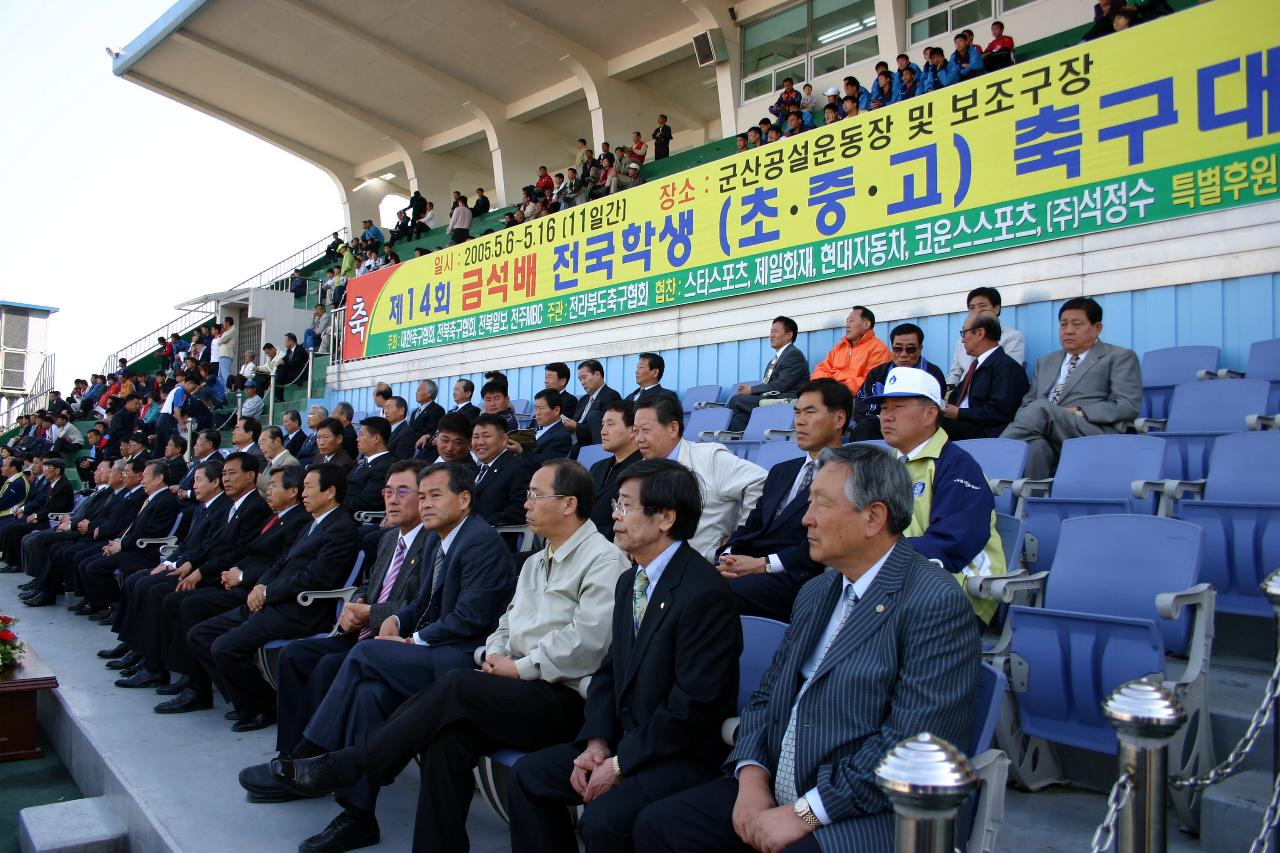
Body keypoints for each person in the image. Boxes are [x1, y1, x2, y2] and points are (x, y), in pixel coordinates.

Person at [634, 445, 980, 853]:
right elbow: (768, 696)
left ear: (874, 518)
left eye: (822, 504)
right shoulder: (817, 591)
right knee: (660, 827)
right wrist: (751, 777)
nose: (806, 518)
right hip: (782, 786)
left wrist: (806, 813)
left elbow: (910, 746)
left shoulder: (933, 602)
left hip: (873, 813)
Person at [267, 459, 624, 852]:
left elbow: (587, 642)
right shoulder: (536, 562)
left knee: (451, 684)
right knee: (446, 738)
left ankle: (350, 761)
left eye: (536, 495)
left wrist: (517, 667)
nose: (526, 504)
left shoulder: (603, 560)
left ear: (570, 503)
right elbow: (505, 623)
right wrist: (496, 654)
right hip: (509, 683)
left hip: (562, 697)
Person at [271, 462, 515, 849]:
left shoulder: (481, 541)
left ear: (464, 499)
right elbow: (421, 602)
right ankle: (358, 815)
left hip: (462, 660)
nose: (426, 504)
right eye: (423, 496)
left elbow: (471, 620)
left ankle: (312, 751)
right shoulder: (440, 538)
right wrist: (399, 620)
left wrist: (412, 640)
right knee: (369, 693)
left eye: (435, 495)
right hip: (435, 651)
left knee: (366, 654)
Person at [505, 457, 742, 853]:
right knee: (530, 777)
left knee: (605, 819)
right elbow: (610, 671)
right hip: (625, 742)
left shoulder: (704, 594)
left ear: (665, 517)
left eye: (625, 506)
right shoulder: (631, 580)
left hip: (679, 753)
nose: (613, 515)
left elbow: (692, 709)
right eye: (615, 505)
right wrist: (597, 742)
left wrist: (619, 764)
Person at [236, 460, 432, 798]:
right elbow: (368, 584)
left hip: (392, 642)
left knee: (327, 665)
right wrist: (355, 603)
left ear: (425, 497)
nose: (392, 499)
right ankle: (289, 754)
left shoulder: (431, 543)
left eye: (403, 492)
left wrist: (371, 612)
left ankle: (308, 766)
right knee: (295, 655)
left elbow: (426, 604)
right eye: (388, 491)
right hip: (358, 633)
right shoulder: (388, 539)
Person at [187, 463, 361, 732]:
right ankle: (250, 697)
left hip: (302, 611)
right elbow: (281, 562)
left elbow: (314, 578)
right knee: (200, 635)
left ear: (330, 492)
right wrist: (261, 585)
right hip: (275, 601)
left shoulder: (341, 528)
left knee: (225, 647)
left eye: (310, 488)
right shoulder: (314, 523)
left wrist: (268, 592)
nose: (303, 493)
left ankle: (261, 708)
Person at [154, 464, 310, 713]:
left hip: (257, 591)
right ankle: (193, 679)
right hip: (242, 581)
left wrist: (244, 577)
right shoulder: (277, 516)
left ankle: (199, 688)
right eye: (267, 486)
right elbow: (250, 552)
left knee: (188, 604)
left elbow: (281, 563)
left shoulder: (298, 520)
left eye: (273, 486)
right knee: (177, 600)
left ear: (292, 491)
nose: (267, 491)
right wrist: (233, 572)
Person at [875, 366, 1007, 624]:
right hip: (900, 581)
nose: (886, 417)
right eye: (883, 408)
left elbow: (953, 541)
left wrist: (874, 558)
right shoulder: (886, 464)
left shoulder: (956, 465)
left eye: (898, 407)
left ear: (930, 414)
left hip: (959, 590)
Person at [718, 379, 850, 621]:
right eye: (797, 412)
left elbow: (830, 543)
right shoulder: (781, 471)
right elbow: (752, 525)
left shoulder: (851, 472)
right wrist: (729, 556)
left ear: (839, 419)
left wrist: (762, 564)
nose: (799, 421)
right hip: (753, 570)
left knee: (708, 595)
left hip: (800, 577)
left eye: (810, 412)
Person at [1001, 297, 1142, 478]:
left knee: (1041, 408)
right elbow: (1027, 403)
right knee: (1036, 446)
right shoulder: (1045, 362)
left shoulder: (1119, 357)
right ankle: (1031, 502)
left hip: (1092, 430)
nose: (1068, 331)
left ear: (1097, 328)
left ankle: (990, 457)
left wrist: (1079, 411)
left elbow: (1127, 405)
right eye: (1063, 325)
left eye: (1077, 325)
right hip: (1045, 429)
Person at [633, 396, 765, 563]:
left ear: (673, 428)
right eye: (635, 431)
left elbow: (759, 482)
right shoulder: (639, 471)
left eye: (646, 430)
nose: (639, 439)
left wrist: (739, 540)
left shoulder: (709, 458)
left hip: (702, 566)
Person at [941, 314, 1030, 439]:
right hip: (962, 424)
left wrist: (960, 413)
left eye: (964, 333)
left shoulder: (1007, 367)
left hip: (985, 433)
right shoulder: (976, 365)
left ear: (980, 333)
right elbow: (954, 399)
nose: (962, 340)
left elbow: (1000, 412)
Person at [852, 323, 946, 441]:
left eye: (911, 349)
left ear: (920, 349)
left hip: (918, 425)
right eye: (897, 349)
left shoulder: (933, 374)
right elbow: (863, 410)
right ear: (892, 348)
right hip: (882, 425)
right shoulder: (877, 374)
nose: (903, 354)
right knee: (865, 427)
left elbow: (935, 410)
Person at [727, 316, 810, 431]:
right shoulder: (775, 360)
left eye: (775, 332)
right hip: (770, 399)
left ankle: (714, 436)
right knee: (740, 418)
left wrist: (751, 390)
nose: (771, 335)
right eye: (771, 332)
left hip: (786, 401)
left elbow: (781, 385)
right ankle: (733, 444)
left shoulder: (794, 355)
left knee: (737, 400)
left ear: (789, 335)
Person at [945, 287, 1026, 389]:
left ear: (997, 309)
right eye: (972, 308)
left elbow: (1009, 373)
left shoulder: (1012, 337)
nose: (977, 312)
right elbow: (954, 374)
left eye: (982, 307)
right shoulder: (962, 340)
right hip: (961, 394)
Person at [587, 400, 641, 541]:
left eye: (610, 424)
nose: (603, 431)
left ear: (633, 430)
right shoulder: (597, 467)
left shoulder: (642, 470)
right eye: (603, 424)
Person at [811, 306, 893, 395]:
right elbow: (819, 371)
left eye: (851, 321)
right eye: (847, 321)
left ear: (866, 324)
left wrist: (835, 377)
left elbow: (870, 384)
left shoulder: (878, 349)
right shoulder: (839, 348)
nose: (847, 325)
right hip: (833, 395)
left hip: (860, 400)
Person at [470, 413, 534, 528]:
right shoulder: (476, 470)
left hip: (494, 538)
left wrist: (477, 526)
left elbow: (518, 511)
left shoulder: (518, 467)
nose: (480, 442)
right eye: (476, 437)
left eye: (486, 436)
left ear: (504, 439)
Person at [564, 359, 621, 452]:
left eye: (584, 377)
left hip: (590, 446)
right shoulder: (583, 399)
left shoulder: (611, 395)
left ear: (597, 374)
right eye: (580, 379)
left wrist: (576, 426)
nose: (582, 382)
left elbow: (601, 427)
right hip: (572, 442)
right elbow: (575, 420)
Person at [345, 417, 396, 514]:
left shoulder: (385, 466)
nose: (357, 439)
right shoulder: (364, 462)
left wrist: (334, 502)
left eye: (361, 435)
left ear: (376, 438)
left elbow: (366, 502)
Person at [508, 389, 572, 467]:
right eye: (535, 408)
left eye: (541, 408)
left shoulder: (561, 436)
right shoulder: (536, 426)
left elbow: (546, 463)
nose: (536, 413)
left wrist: (521, 451)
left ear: (556, 410)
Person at [258, 426, 301, 494]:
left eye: (263, 442)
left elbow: (279, 492)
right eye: (260, 444)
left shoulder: (290, 462)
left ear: (277, 441)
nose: (261, 448)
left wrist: (254, 475)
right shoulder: (270, 463)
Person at [408, 380, 445, 459]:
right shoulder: (414, 412)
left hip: (423, 452)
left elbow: (432, 431)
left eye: (419, 390)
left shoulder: (437, 409)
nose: (416, 393)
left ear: (429, 393)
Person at [274, 334, 309, 403]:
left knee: (280, 372)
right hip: (291, 373)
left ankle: (278, 396)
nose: (284, 343)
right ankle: (279, 397)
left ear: (291, 341)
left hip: (299, 374)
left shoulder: (300, 349)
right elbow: (285, 358)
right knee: (280, 370)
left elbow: (294, 363)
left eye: (285, 341)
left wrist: (283, 363)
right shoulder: (289, 351)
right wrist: (281, 360)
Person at [383, 396, 416, 461]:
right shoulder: (384, 430)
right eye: (385, 408)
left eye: (389, 408)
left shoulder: (407, 433)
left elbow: (400, 460)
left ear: (401, 411)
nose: (385, 412)